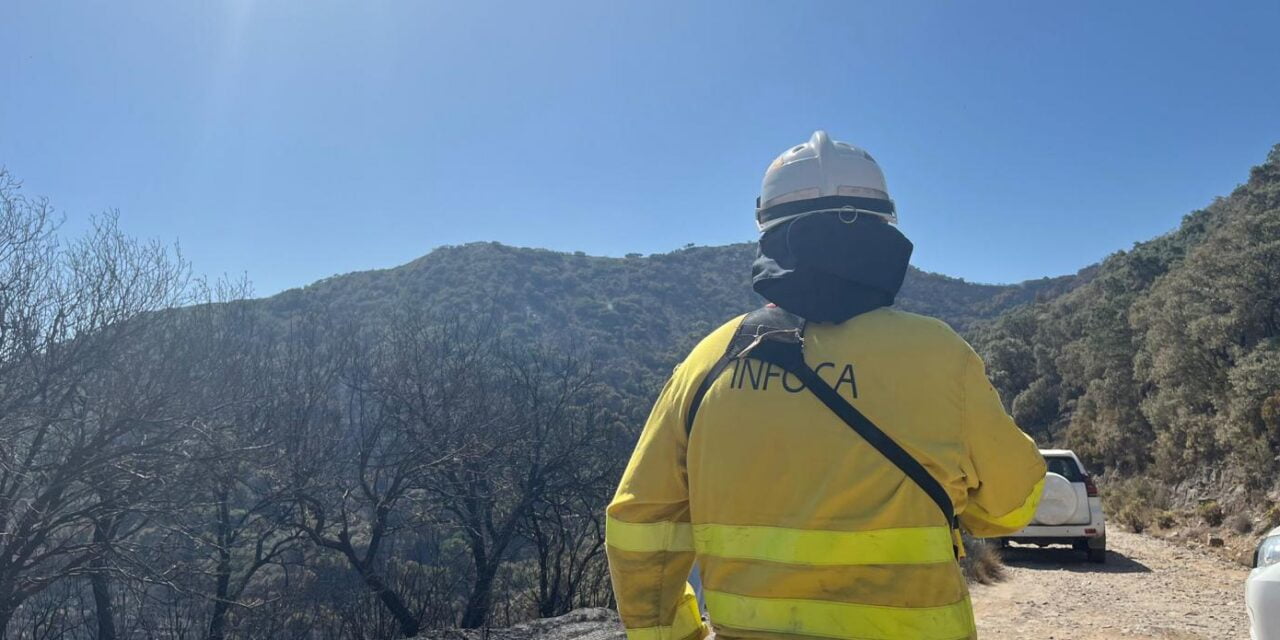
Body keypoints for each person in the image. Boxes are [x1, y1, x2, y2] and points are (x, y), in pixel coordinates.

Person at [604, 131, 1046, 640]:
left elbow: (639, 525)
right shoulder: (940, 354)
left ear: (769, 233)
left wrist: (674, 635)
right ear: (884, 230)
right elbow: (1014, 504)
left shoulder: (712, 358)